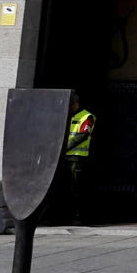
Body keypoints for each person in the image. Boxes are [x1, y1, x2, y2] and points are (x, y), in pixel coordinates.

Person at [62, 92, 95, 225]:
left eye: (71, 106)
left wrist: (64, 147)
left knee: (75, 188)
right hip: (61, 158)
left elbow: (82, 135)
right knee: (63, 187)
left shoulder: (87, 116)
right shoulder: (64, 115)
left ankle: (77, 216)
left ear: (76, 105)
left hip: (76, 158)